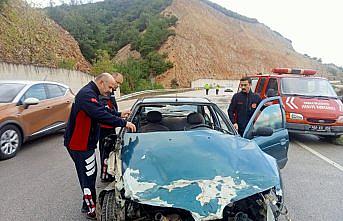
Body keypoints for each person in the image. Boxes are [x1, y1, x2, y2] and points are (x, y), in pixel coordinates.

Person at [64, 73, 136, 220]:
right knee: (88, 178)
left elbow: (101, 109)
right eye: (110, 86)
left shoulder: (93, 93)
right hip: (80, 145)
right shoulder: (87, 94)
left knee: (89, 176)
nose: (111, 90)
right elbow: (99, 114)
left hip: (84, 144)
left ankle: (87, 205)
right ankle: (92, 211)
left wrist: (119, 113)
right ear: (101, 82)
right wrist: (123, 122)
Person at [99, 72, 129, 182]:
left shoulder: (110, 92)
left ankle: (108, 173)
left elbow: (111, 110)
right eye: (117, 82)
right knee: (106, 151)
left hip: (109, 126)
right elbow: (105, 114)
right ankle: (105, 175)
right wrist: (122, 121)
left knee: (109, 151)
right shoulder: (104, 93)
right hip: (104, 128)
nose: (118, 86)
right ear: (112, 79)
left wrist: (119, 114)